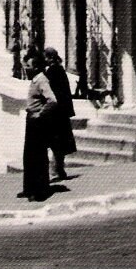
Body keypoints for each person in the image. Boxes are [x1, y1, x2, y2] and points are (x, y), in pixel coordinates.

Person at [21, 51, 58, 202]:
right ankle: (29, 188)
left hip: (37, 123)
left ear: (35, 67)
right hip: (31, 120)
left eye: (28, 66)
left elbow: (52, 100)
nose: (26, 68)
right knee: (29, 156)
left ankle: (40, 190)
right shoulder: (35, 80)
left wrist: (40, 114)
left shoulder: (42, 80)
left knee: (38, 156)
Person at [43, 48, 77, 181]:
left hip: (55, 113)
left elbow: (50, 93)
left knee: (54, 142)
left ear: (50, 58)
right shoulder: (60, 70)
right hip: (62, 112)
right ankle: (59, 169)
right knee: (60, 142)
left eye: (46, 57)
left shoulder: (52, 72)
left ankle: (55, 170)